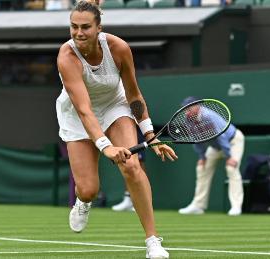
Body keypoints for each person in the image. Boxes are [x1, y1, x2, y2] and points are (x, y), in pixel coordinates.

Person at [55, 1, 178, 258]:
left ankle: (153, 241)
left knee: (132, 166)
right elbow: (85, 110)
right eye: (74, 26)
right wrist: (106, 147)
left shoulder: (119, 48)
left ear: (99, 27)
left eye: (86, 27)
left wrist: (150, 136)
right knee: (88, 189)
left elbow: (133, 94)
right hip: (78, 115)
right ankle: (83, 201)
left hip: (114, 105)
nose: (79, 32)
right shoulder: (66, 58)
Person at [178, 96, 245, 216]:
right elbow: (197, 139)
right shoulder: (188, 119)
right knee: (201, 168)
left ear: (197, 106)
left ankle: (236, 207)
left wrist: (229, 156)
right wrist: (202, 157)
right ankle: (198, 206)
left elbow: (221, 136)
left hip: (232, 141)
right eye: (184, 109)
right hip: (215, 147)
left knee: (231, 169)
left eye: (188, 108)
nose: (186, 111)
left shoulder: (208, 116)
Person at [112, 129, 146, 212]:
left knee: (138, 163)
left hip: (138, 125)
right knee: (127, 162)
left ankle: (141, 201)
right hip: (124, 125)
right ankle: (128, 198)